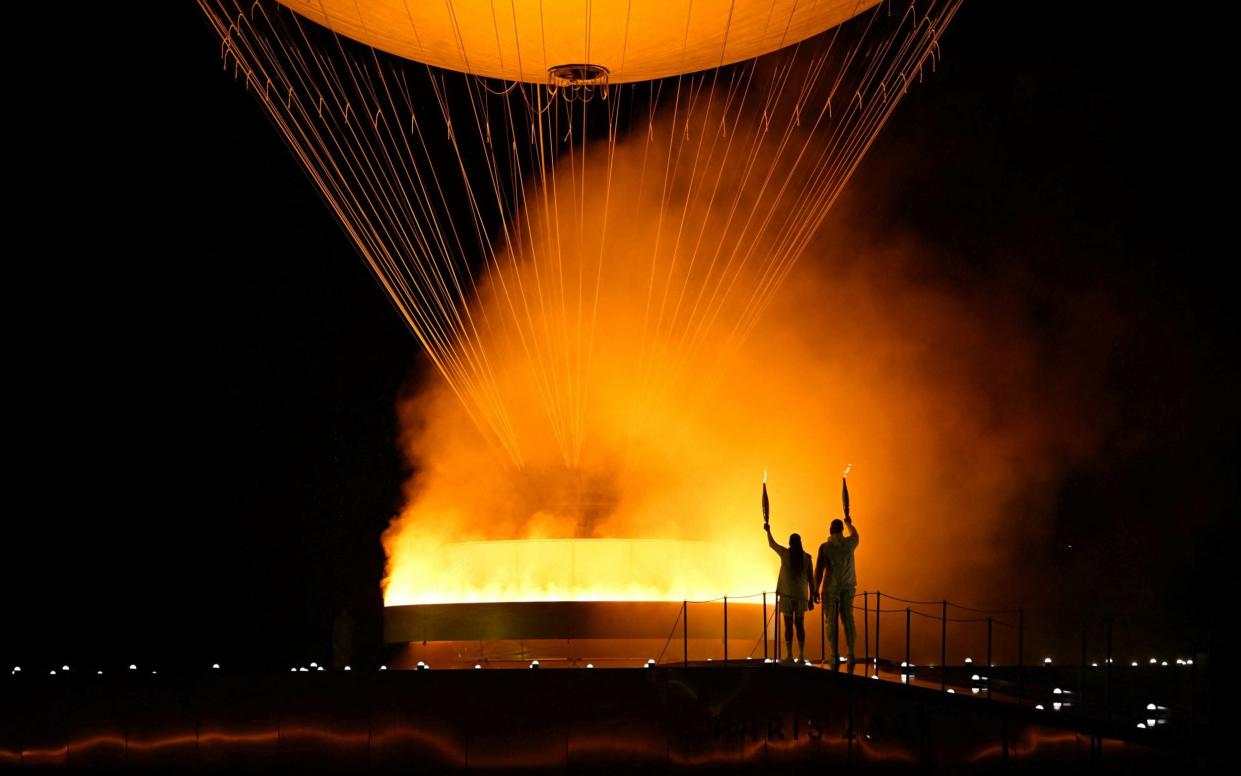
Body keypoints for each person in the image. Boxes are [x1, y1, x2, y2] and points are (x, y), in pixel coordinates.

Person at [815, 514, 860, 671]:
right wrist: (849, 523)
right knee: (848, 620)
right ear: (841, 530)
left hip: (831, 589)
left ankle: (834, 655)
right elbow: (855, 534)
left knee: (831, 622)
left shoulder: (825, 547)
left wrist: (815, 589)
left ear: (830, 530)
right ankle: (851, 653)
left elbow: (819, 570)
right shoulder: (850, 544)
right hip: (848, 586)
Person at [765, 522, 815, 662]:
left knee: (788, 626)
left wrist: (768, 530)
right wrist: (811, 598)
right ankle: (801, 655)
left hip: (787, 595)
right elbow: (811, 580)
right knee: (800, 625)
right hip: (801, 597)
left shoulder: (785, 554)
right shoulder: (807, 558)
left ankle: (789, 655)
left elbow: (772, 543)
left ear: (790, 543)